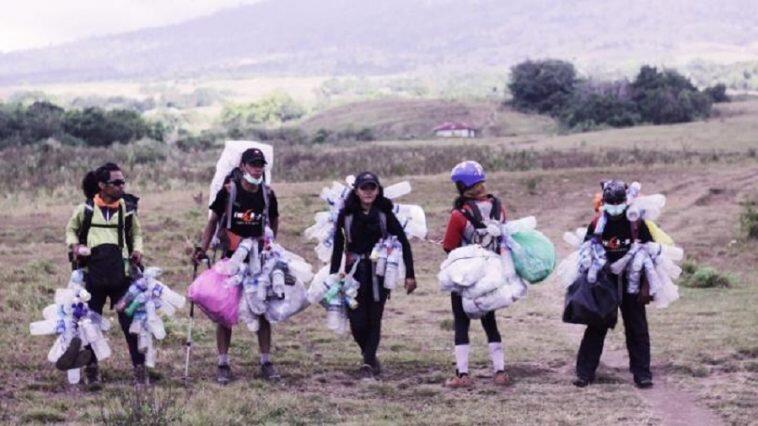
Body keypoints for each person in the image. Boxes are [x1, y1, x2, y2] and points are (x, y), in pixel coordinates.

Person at [193, 148, 280, 384]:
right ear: (243, 167)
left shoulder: (267, 194)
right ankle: (223, 363)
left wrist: (271, 243)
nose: (257, 168)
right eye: (253, 164)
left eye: (261, 164)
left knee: (260, 310)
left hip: (258, 260)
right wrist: (203, 248)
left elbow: (273, 219)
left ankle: (265, 361)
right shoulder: (229, 192)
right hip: (230, 258)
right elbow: (213, 221)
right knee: (224, 310)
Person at [65, 162, 146, 389]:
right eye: (116, 182)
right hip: (93, 275)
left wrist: (137, 250)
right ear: (102, 185)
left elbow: (136, 233)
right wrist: (74, 246)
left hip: (122, 275)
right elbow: (71, 229)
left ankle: (139, 369)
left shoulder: (127, 209)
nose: (122, 186)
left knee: (131, 322)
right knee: (89, 323)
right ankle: (92, 370)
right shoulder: (86, 210)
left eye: (123, 182)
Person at [329, 172, 417, 378]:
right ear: (357, 191)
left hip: (380, 273)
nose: (368, 192)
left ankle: (368, 363)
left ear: (378, 190)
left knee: (374, 318)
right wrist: (333, 275)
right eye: (364, 188)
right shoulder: (346, 215)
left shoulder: (385, 213)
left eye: (372, 188)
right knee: (357, 320)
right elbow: (338, 246)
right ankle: (369, 356)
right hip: (354, 274)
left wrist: (410, 275)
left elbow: (404, 242)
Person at [573, 180, 654, 389]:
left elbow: (649, 254)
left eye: (619, 202)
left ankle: (642, 374)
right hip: (605, 282)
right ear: (604, 202)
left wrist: (646, 286)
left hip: (631, 282)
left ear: (626, 201)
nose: (616, 207)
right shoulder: (597, 223)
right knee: (597, 325)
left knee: (637, 327)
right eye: (611, 203)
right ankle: (584, 373)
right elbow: (587, 253)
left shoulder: (636, 222)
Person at [441, 161, 510, 388]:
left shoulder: (459, 214)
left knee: (461, 323)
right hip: (491, 276)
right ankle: (500, 371)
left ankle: (462, 375)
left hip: (466, 276)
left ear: (462, 186)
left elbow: (449, 246)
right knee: (490, 323)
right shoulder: (498, 207)